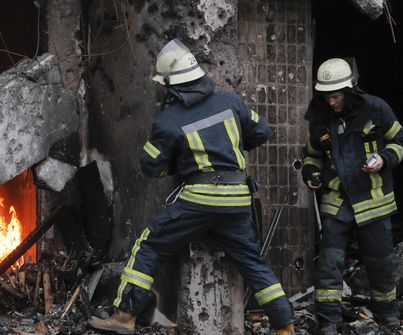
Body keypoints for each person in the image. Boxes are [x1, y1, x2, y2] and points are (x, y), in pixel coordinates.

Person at [88, 39, 294, 335]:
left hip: (198, 201)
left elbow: (150, 165)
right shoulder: (231, 102)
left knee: (149, 245)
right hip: (237, 200)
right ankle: (285, 325)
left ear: (171, 86)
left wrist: (180, 162)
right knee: (252, 262)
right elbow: (262, 131)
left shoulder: (168, 121)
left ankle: (124, 316)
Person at [300, 58, 403, 333]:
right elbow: (312, 156)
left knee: (380, 261)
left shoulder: (375, 109)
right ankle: (329, 321)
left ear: (348, 91)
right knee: (329, 263)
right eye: (325, 96)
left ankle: (388, 317)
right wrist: (312, 175)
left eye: (335, 96)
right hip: (337, 199)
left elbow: (402, 141)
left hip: (373, 199)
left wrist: (384, 158)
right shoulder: (320, 117)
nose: (330, 102)